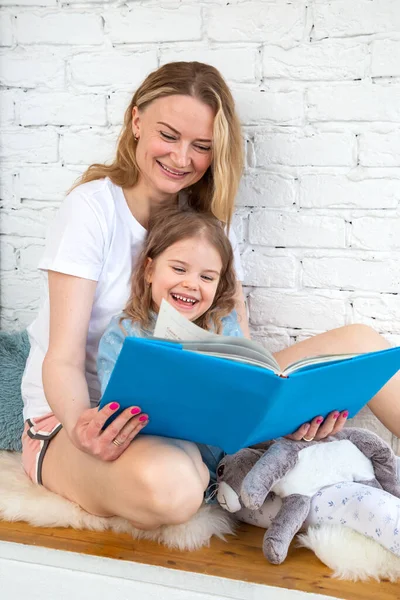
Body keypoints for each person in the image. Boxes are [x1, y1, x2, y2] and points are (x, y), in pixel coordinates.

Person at [20, 61, 399, 529]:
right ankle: (192, 469)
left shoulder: (210, 228)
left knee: (363, 342)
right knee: (173, 487)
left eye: (201, 146)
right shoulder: (92, 209)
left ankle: (210, 460)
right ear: (136, 122)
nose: (182, 158)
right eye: (169, 135)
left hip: (197, 413)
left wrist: (287, 414)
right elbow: (62, 357)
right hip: (88, 422)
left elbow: (241, 349)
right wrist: (84, 427)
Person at [96, 203, 244, 488]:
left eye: (206, 277)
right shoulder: (125, 333)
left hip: (225, 454)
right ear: (150, 270)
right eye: (179, 269)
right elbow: (116, 407)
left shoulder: (224, 325)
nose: (191, 284)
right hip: (162, 450)